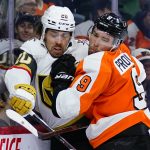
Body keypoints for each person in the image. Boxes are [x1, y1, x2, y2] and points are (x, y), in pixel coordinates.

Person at [50, 13, 150, 149]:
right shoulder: (125, 54)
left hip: (119, 138)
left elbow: (64, 109)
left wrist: (61, 78)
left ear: (116, 43)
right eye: (95, 35)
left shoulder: (97, 62)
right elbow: (141, 74)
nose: (96, 43)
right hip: (144, 131)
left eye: (105, 39)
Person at [5, 5, 92, 150]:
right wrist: (21, 89)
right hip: (50, 133)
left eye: (64, 35)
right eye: (54, 34)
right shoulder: (34, 48)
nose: (59, 41)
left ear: (71, 35)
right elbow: (19, 69)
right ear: (44, 32)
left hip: (84, 128)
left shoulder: (83, 49)